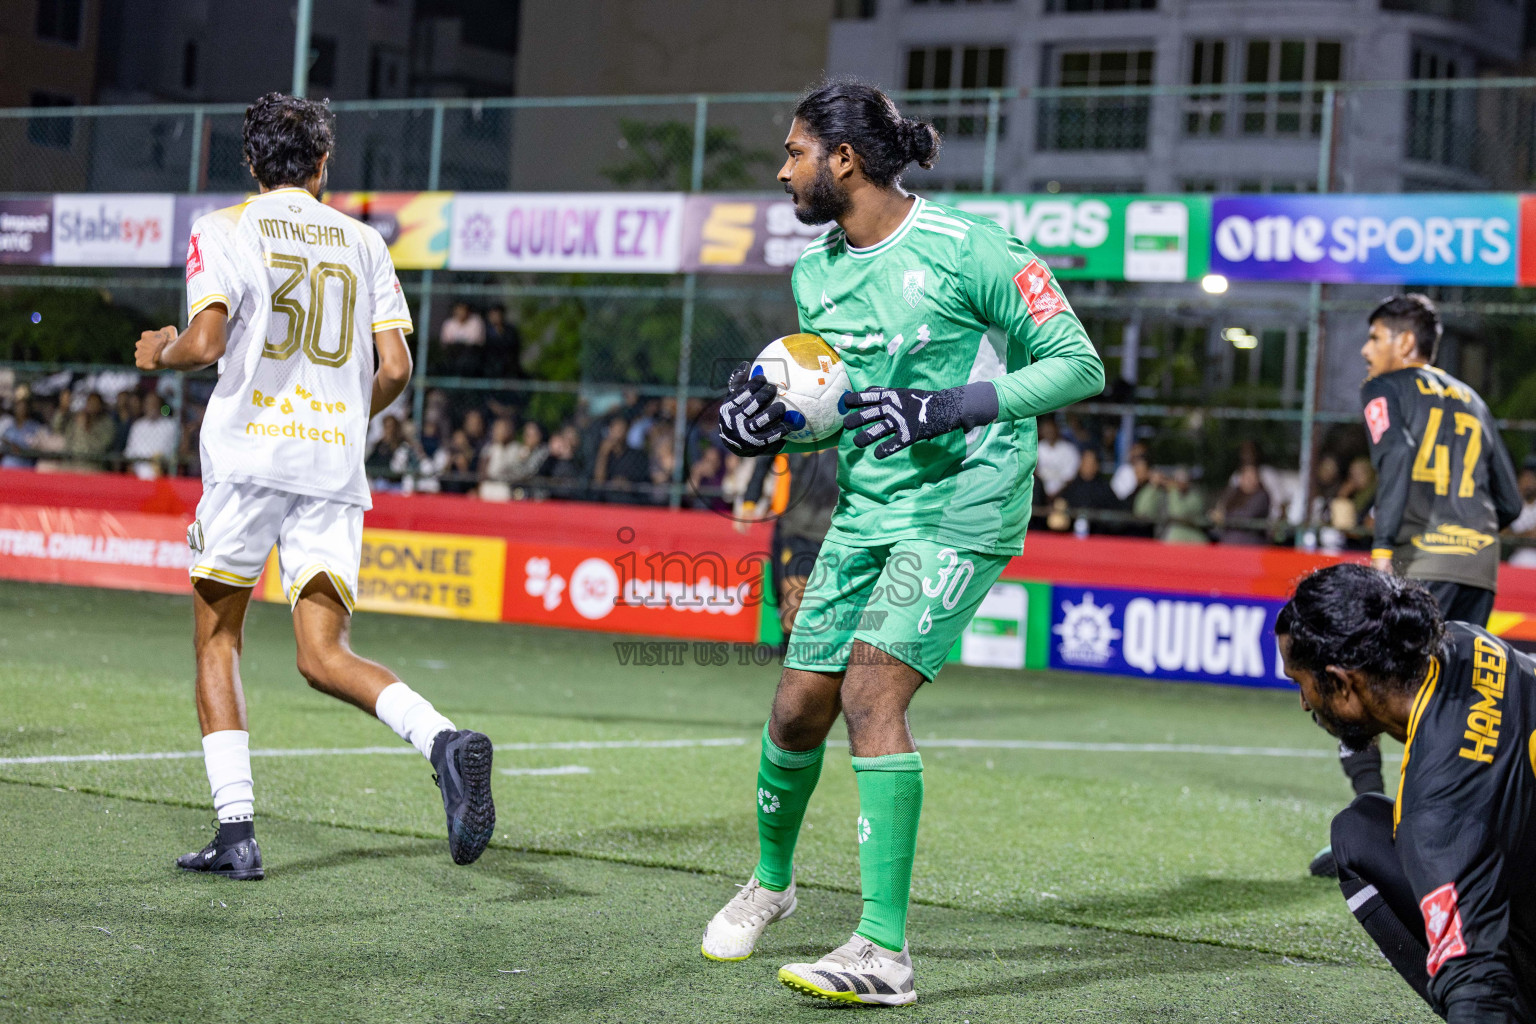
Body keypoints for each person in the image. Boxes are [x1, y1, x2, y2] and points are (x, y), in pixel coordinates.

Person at [702, 79, 1104, 1005]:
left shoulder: (973, 249)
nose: (783, 168)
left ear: (843, 160)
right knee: (798, 704)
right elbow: (837, 412)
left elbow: (1078, 364)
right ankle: (772, 882)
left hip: (968, 498)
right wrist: (766, 430)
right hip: (870, 506)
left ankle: (884, 952)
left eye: (796, 151)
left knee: (871, 688)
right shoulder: (814, 273)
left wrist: (948, 405)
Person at [131, 92, 495, 881]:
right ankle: (442, 740)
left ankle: (237, 834)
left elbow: (205, 341)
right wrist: (333, 418)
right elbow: (396, 366)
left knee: (217, 639)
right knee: (323, 653)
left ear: (251, 163)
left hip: (249, 459)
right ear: (324, 166)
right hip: (332, 464)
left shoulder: (223, 228)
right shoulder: (364, 241)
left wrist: (158, 349)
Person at [1310, 294, 1521, 879]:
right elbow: (1507, 500)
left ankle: (1374, 819)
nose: (1365, 349)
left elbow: (1397, 459)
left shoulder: (1385, 390)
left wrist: (1382, 554)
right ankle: (1467, 833)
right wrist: (1468, 529)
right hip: (1478, 564)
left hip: (1417, 567)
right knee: (1455, 700)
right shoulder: (1472, 398)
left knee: (1346, 672)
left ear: (1405, 344)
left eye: (1375, 337)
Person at [1276, 564, 1536, 1022]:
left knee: (1356, 838)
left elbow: (1478, 985)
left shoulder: (1436, 816)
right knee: (1361, 828)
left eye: (1302, 683)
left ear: (1340, 682)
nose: (1303, 703)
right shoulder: (1469, 639)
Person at [740, 448, 840, 637]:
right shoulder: (794, 434)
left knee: (830, 603)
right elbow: (763, 462)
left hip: (836, 533)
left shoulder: (850, 438)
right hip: (797, 529)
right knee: (791, 601)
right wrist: (750, 501)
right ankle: (789, 649)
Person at [123, 393, 180, 477]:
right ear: (144, 406)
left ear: (160, 405)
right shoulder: (137, 426)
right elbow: (129, 454)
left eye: (154, 403)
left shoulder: (170, 425)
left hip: (162, 472)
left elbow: (174, 452)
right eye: (148, 403)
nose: (152, 406)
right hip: (137, 473)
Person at [1212, 463, 1271, 545]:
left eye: (1252, 477)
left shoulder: (1262, 496)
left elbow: (1247, 515)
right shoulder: (1234, 494)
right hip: (1228, 543)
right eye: (1247, 477)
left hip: (1250, 545)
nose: (1250, 480)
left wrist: (1224, 517)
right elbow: (1221, 507)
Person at [1034, 416, 1080, 500]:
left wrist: (1056, 494)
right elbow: (1035, 472)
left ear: (1057, 429)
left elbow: (1071, 477)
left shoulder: (1069, 449)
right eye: (1046, 429)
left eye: (1051, 429)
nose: (1049, 432)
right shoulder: (1036, 448)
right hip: (1041, 493)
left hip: (1064, 492)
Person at [439, 301, 485, 376]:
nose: (461, 312)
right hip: (453, 354)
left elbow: (475, 341)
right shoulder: (449, 323)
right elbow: (445, 342)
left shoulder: (475, 321)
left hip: (471, 353)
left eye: (463, 309)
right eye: (459, 309)